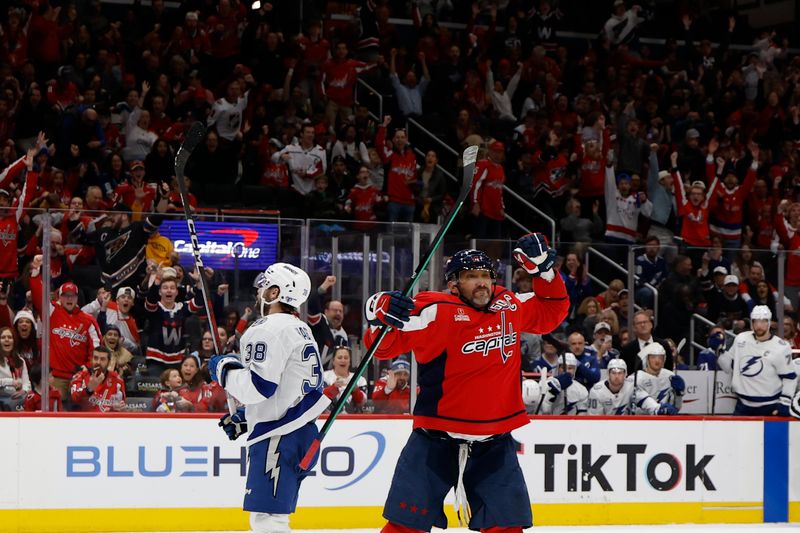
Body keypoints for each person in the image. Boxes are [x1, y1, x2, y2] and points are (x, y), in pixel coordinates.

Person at [362, 235, 568, 532]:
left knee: (507, 527)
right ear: (454, 284)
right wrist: (377, 316)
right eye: (471, 276)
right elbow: (381, 347)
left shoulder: (508, 304)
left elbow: (551, 313)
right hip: (435, 440)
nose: (481, 282)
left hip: (494, 442)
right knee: (404, 527)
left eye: (486, 275)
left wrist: (546, 273)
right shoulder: (433, 310)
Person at [208, 263, 330, 533]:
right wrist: (247, 417)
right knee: (273, 516)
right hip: (300, 431)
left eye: (265, 286)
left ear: (276, 292)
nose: (259, 291)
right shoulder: (300, 328)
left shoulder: (265, 329)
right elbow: (288, 385)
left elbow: (258, 387)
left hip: (279, 435)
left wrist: (223, 369)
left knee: (268, 520)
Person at [29, 257, 101, 400]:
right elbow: (38, 296)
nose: (69, 299)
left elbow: (96, 350)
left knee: (82, 412)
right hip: (56, 377)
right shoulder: (52, 312)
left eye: (72, 296)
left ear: (77, 298)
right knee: (55, 413)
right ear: (59, 298)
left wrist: (87, 368)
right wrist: (35, 274)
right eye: (65, 296)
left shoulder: (88, 321)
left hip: (80, 377)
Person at [718, 306, 796, 416]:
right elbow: (727, 367)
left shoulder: (781, 347)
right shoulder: (741, 339)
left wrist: (785, 401)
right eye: (756, 321)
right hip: (742, 405)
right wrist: (719, 350)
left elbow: (790, 377)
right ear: (751, 323)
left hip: (770, 406)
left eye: (763, 321)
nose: (759, 325)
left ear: (769, 323)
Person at [587, 358, 678, 415]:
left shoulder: (631, 386)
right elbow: (595, 419)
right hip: (605, 431)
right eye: (613, 373)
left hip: (627, 429)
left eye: (620, 373)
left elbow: (645, 400)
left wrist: (658, 409)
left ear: (626, 374)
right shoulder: (596, 391)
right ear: (608, 374)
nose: (617, 376)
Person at [307, 275, 349, 368]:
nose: (338, 313)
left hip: (329, 377)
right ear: (326, 311)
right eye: (335, 310)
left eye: (340, 311)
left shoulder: (343, 336)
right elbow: (312, 304)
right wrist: (324, 286)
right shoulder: (319, 322)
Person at [70, 346, 126, 412]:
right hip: (84, 420)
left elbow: (121, 405)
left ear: (109, 362)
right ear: (91, 359)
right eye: (95, 358)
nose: (98, 362)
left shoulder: (117, 380)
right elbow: (74, 399)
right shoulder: (80, 376)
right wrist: (89, 389)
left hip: (107, 420)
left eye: (102, 359)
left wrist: (114, 409)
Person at [632, 343, 685, 413]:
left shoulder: (670, 376)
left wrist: (679, 394)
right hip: (641, 421)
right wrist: (658, 409)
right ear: (647, 359)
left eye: (660, 357)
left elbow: (676, 407)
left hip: (664, 421)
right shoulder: (636, 378)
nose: (657, 361)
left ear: (664, 360)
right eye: (653, 357)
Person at [322, 345, 367, 413]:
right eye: (339, 358)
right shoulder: (324, 377)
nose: (343, 360)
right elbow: (319, 399)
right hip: (328, 419)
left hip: (353, 420)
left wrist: (355, 390)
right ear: (333, 361)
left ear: (350, 361)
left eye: (346, 358)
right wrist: (334, 388)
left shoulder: (360, 379)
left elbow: (362, 403)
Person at [0, 327, 30, 410]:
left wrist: (24, 390)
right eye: (3, 337)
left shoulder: (20, 361)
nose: (7, 340)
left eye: (10, 337)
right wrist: (11, 382)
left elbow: (27, 383)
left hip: (15, 399)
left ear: (14, 341)